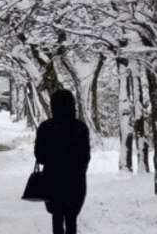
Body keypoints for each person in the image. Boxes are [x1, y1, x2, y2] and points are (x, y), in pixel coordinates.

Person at [34, 89, 91, 234]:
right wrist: (78, 169)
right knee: (72, 217)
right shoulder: (80, 128)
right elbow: (85, 156)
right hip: (75, 179)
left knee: (57, 216)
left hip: (52, 180)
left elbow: (39, 156)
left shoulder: (45, 128)